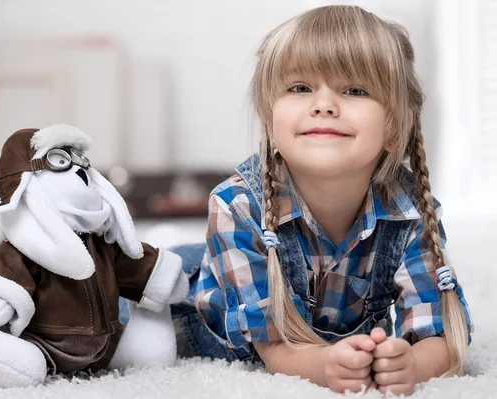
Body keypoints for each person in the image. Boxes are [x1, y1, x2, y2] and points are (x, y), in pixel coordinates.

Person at [168, 5, 473, 396]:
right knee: (125, 316)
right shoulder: (238, 206)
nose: (324, 104)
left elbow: (441, 333)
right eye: (300, 88)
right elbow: (274, 349)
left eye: (355, 90)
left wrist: (411, 363)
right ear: (269, 117)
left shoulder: (408, 211)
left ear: (396, 126)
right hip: (199, 306)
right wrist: (328, 364)